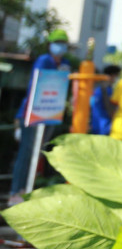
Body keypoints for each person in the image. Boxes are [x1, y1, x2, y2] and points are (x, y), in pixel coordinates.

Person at [8, 29, 72, 203]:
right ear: (50, 44)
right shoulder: (44, 60)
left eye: (63, 43)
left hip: (51, 113)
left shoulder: (65, 63)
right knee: (26, 153)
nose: (60, 46)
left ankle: (29, 191)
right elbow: (34, 88)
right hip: (33, 113)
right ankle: (16, 191)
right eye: (57, 42)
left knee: (38, 153)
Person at [89, 63, 122, 137]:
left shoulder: (97, 90)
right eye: (116, 75)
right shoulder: (107, 91)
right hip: (105, 128)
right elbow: (110, 109)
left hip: (96, 126)